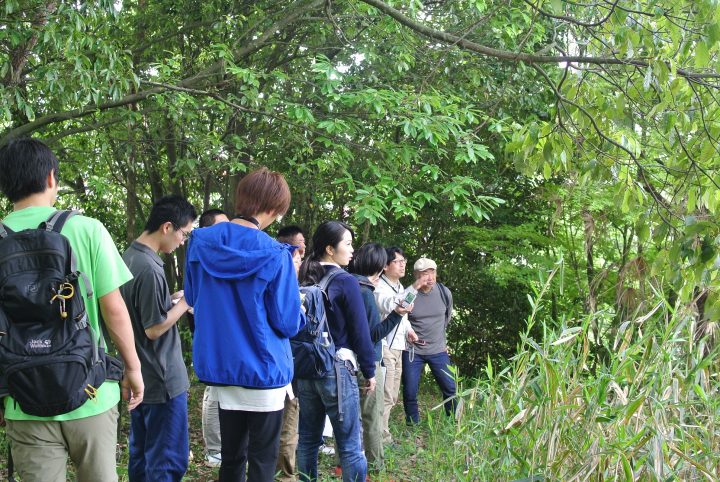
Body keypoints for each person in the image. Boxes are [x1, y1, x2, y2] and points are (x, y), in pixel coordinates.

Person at [0, 138, 144, 482]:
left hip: (23, 397)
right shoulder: (86, 229)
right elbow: (114, 309)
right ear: (52, 178)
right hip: (90, 391)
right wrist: (133, 368)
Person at [185, 168, 304, 482]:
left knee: (232, 457)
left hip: (222, 368)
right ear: (273, 209)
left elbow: (194, 297)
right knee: (262, 462)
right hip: (263, 372)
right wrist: (299, 306)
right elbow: (287, 322)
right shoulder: (277, 255)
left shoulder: (198, 242)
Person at [120, 195, 196, 482]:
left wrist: (170, 300)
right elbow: (153, 328)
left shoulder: (130, 256)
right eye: (184, 233)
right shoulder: (150, 268)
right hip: (162, 378)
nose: (183, 240)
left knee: (141, 456)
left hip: (142, 375)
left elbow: (140, 313)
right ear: (167, 227)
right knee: (166, 461)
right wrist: (186, 301)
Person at [296, 221, 376, 482]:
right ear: (330, 249)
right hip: (337, 370)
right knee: (350, 445)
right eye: (348, 244)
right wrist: (370, 370)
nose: (353, 250)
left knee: (307, 440)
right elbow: (360, 332)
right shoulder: (346, 281)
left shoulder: (304, 276)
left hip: (306, 369)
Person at [348, 243, 412, 471]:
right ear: (379, 265)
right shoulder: (365, 292)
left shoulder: (344, 283)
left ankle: (341, 464)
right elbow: (372, 335)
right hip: (366, 360)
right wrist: (397, 315)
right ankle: (377, 467)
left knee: (347, 417)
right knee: (372, 417)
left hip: (342, 360)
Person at [402, 257, 457, 424]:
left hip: (438, 350)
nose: (430, 277)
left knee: (451, 388)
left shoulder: (444, 292)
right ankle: (413, 425)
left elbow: (446, 317)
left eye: (433, 272)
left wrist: (440, 339)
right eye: (425, 273)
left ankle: (453, 422)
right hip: (413, 350)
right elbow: (400, 319)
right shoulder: (409, 294)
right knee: (410, 391)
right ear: (417, 275)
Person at [373, 247, 418, 442]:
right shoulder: (378, 286)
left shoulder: (400, 286)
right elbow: (390, 305)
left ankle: (383, 433)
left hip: (399, 346)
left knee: (392, 395)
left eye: (404, 261)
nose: (403, 264)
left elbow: (403, 312)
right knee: (385, 394)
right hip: (384, 346)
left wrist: (409, 330)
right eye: (398, 261)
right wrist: (416, 286)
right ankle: (380, 437)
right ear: (385, 266)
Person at [196, 208, 230, 468]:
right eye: (222, 227)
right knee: (214, 391)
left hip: (228, 335)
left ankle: (224, 447)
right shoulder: (200, 257)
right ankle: (215, 450)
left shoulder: (226, 256)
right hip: (211, 336)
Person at [275, 225, 307, 482]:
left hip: (281, 368)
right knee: (287, 426)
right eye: (297, 258)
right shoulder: (285, 289)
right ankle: (286, 476)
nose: (301, 262)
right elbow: (289, 326)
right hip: (283, 370)